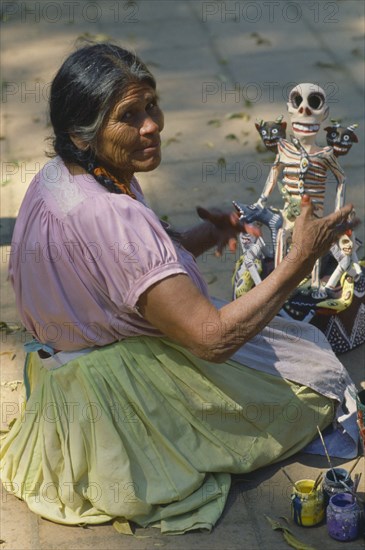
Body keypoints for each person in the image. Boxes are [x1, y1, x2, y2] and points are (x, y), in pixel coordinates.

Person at [0, 43, 359, 534]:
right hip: (113, 398)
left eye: (151, 105)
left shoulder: (58, 179)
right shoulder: (115, 216)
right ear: (79, 134)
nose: (152, 125)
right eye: (129, 116)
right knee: (315, 383)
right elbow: (210, 339)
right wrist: (299, 261)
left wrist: (204, 236)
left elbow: (115, 273)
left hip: (62, 386)